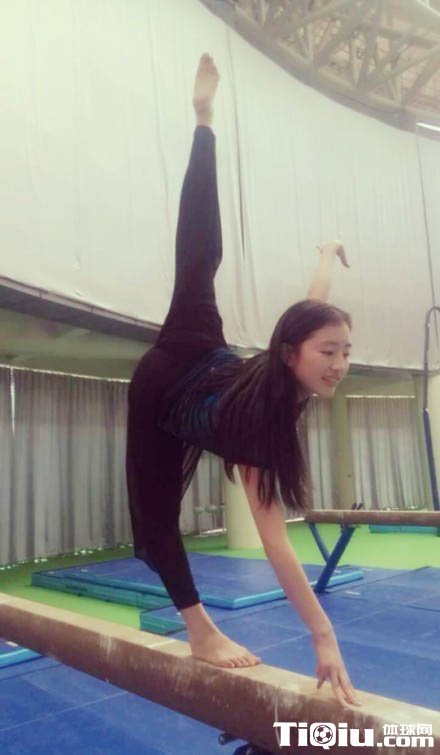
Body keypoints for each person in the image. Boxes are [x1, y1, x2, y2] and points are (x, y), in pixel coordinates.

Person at [126, 53, 359, 707]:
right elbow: (275, 540)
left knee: (153, 526)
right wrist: (323, 634)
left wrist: (325, 255)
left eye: (346, 352)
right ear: (290, 352)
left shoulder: (292, 379)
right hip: (180, 367)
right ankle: (203, 123)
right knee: (201, 256)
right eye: (329, 351)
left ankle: (204, 122)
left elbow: (313, 307)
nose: (339, 363)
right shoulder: (265, 417)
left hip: (195, 384)